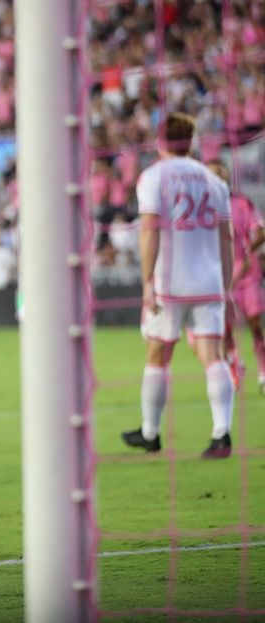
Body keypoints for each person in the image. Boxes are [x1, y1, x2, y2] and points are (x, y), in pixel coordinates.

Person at [121, 112, 234, 459]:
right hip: (209, 281)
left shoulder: (154, 177)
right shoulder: (213, 181)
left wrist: (146, 282)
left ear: (160, 141)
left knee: (158, 352)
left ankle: (151, 432)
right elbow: (226, 239)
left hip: (170, 281)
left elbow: (150, 230)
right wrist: (226, 288)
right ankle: (221, 433)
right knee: (213, 356)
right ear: (192, 140)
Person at [207, 159, 265, 395]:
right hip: (219, 276)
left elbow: (260, 230)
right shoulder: (204, 209)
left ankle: (263, 372)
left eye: (220, 175)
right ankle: (234, 365)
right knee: (224, 330)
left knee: (255, 325)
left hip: (246, 274)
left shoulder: (241, 203)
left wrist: (249, 252)